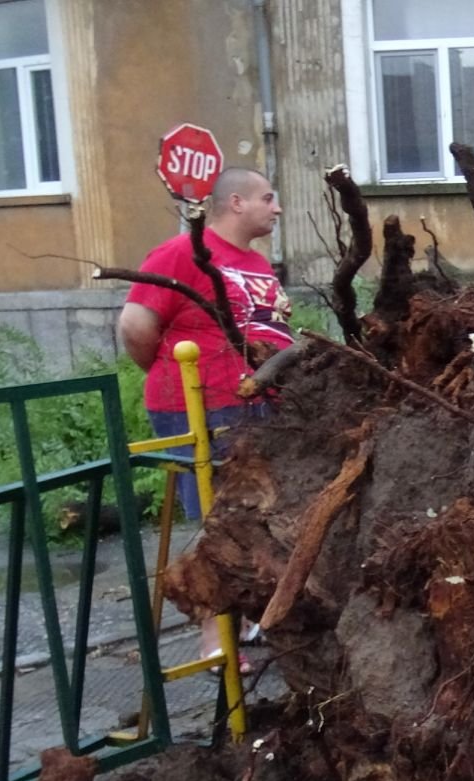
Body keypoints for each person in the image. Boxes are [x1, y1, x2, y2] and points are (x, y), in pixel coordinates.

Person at [116, 167, 291, 667]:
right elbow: (135, 325)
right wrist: (173, 373)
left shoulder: (258, 263)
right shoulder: (181, 255)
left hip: (259, 400)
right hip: (201, 403)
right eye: (267, 198)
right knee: (218, 518)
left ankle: (255, 614)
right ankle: (215, 639)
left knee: (265, 514)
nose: (276, 208)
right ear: (235, 202)